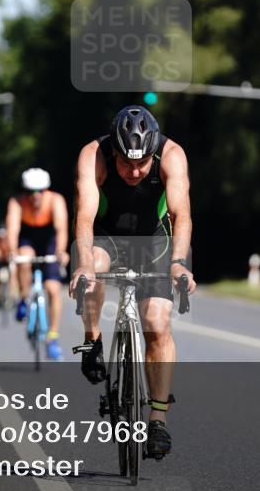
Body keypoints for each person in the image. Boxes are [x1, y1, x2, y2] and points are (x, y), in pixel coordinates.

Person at [70, 105, 196, 460]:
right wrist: (83, 267)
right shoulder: (93, 155)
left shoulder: (172, 155)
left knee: (156, 323)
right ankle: (92, 341)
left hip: (155, 241)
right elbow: (84, 216)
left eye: (142, 163)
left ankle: (157, 419)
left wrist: (178, 264)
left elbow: (181, 215)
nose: (135, 171)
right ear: (114, 152)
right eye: (127, 162)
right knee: (92, 267)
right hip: (106, 235)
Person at [7, 168, 70, 360]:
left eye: (39, 191)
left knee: (53, 288)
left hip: (49, 240)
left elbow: (61, 228)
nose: (35, 196)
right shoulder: (17, 202)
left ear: (46, 190)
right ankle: (24, 298)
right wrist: (11, 251)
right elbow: (13, 229)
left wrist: (61, 251)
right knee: (24, 258)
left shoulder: (56, 200)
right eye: (30, 192)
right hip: (28, 238)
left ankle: (52, 336)